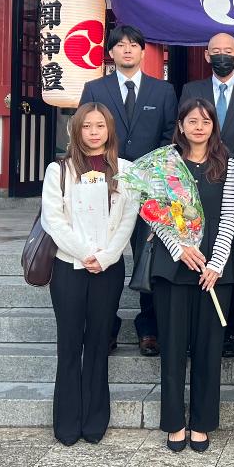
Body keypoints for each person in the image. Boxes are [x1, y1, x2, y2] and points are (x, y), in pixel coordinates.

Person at [40, 103, 139, 446]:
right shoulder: (59, 170)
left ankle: (95, 419)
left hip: (108, 269)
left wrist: (107, 257)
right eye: (86, 126)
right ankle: (67, 421)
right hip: (68, 266)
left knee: (98, 343)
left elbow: (128, 219)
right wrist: (84, 253)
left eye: (100, 125)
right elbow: (53, 220)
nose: (94, 132)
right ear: (76, 130)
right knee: (69, 343)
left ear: (109, 130)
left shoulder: (125, 170)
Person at [79, 24, 177, 357]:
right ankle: (106, 327)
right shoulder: (95, 88)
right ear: (111, 52)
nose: (127, 50)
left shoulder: (163, 91)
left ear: (143, 51)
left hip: (150, 187)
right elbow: (84, 134)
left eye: (133, 45)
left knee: (148, 256)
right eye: (120, 45)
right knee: (105, 254)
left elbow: (170, 137)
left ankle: (148, 329)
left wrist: (148, 173)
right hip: (105, 185)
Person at [150, 98, 234, 453]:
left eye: (205, 121)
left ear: (213, 126)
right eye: (192, 121)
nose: (199, 127)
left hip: (214, 272)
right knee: (173, 349)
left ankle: (202, 422)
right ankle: (174, 422)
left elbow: (230, 214)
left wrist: (216, 263)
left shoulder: (227, 163)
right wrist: (180, 249)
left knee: (208, 350)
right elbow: (157, 212)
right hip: (174, 267)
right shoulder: (167, 163)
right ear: (181, 125)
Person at [181, 31, 234, 359]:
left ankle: (227, 330)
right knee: (194, 246)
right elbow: (184, 130)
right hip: (195, 180)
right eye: (215, 50)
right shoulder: (192, 89)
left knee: (231, 253)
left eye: (228, 51)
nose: (222, 55)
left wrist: (227, 162)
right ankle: (192, 325)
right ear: (206, 55)